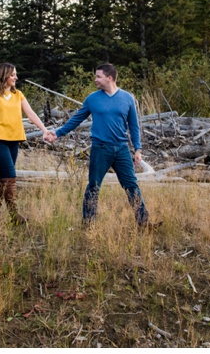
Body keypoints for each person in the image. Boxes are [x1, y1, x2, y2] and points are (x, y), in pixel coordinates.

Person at [44, 63, 157, 230]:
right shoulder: (92, 99)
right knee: (94, 186)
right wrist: (58, 133)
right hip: (100, 149)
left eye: (98, 76)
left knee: (131, 185)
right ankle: (88, 225)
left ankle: (144, 223)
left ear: (109, 78)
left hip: (121, 149)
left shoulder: (127, 98)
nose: (95, 80)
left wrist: (138, 149)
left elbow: (133, 125)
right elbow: (77, 119)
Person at [0, 63, 50, 225]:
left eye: (16, 75)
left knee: (4, 176)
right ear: (4, 76)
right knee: (10, 174)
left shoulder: (18, 94)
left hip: (13, 139)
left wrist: (44, 130)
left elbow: (31, 113)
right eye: (13, 75)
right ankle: (14, 215)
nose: (16, 78)